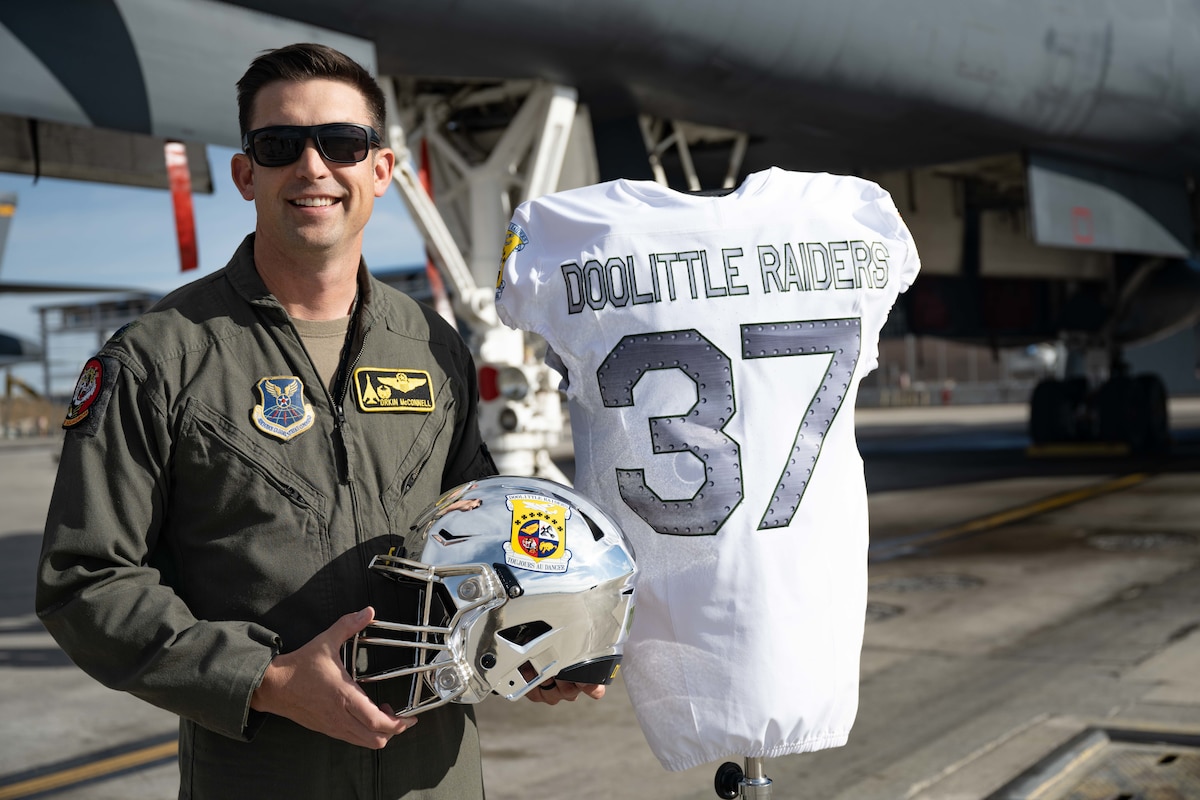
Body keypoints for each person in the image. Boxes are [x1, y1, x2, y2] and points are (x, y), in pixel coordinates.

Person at [36, 42, 599, 800]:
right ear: (246, 173)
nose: (312, 167)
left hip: (434, 778)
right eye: (280, 145)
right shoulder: (158, 357)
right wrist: (262, 680)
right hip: (261, 776)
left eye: (341, 143)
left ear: (380, 170)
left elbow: (477, 536)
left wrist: (530, 644)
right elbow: (86, 579)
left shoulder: (433, 347)